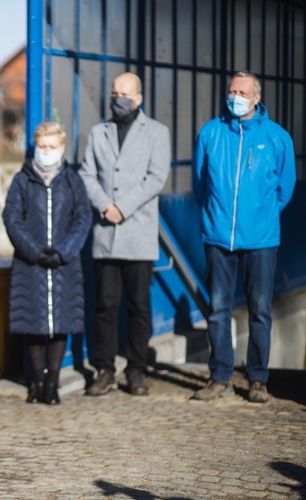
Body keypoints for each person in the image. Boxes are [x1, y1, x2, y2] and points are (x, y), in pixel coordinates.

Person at [191, 71, 296, 403]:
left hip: (261, 239)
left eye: (241, 91)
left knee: (259, 310)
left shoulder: (277, 138)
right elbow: (199, 183)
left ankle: (257, 379)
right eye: (231, 90)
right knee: (219, 309)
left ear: (256, 98)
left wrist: (261, 215)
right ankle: (219, 374)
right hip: (218, 235)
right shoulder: (210, 133)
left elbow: (285, 188)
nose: (234, 96)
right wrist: (217, 215)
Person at [79, 72, 171, 397]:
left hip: (138, 232)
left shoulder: (157, 132)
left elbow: (157, 176)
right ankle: (104, 369)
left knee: (138, 306)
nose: (117, 98)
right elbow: (87, 173)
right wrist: (105, 205)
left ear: (138, 98)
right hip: (106, 232)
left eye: (124, 93)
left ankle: (136, 369)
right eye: (114, 92)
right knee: (104, 305)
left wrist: (123, 206)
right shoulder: (98, 132)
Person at [3, 121, 91, 405]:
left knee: (59, 323)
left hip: (64, 265)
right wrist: (34, 251)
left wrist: (63, 251)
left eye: (52, 147)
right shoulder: (22, 180)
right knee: (33, 322)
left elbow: (82, 218)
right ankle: (36, 382)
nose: (47, 151)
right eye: (42, 146)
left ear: (62, 148)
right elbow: (12, 218)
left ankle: (52, 383)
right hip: (31, 264)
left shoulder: (72, 180)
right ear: (35, 147)